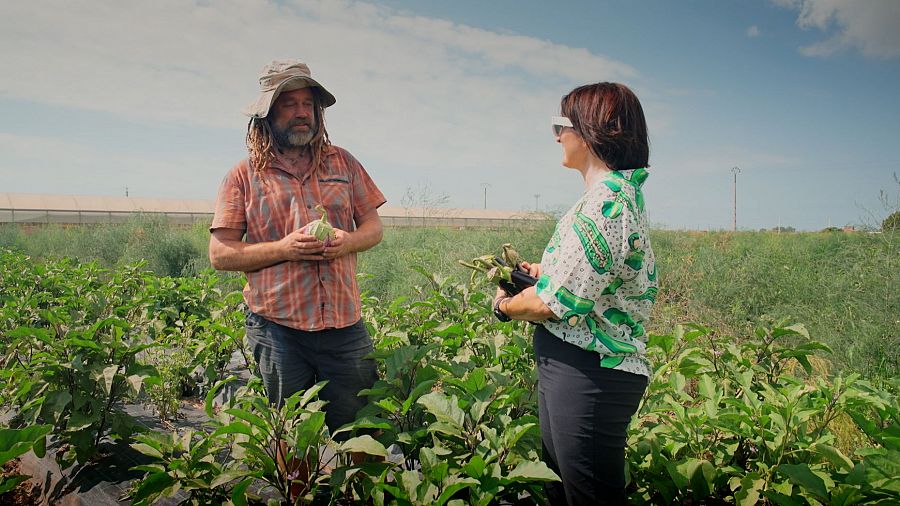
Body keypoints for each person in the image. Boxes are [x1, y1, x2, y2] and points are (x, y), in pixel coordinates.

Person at [492, 82, 656, 505]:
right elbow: (588, 280)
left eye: (560, 125)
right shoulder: (610, 197)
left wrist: (504, 305)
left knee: (589, 496)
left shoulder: (607, 204)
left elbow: (552, 303)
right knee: (563, 488)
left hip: (590, 371)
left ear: (590, 130)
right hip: (579, 366)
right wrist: (545, 273)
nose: (557, 137)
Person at [209, 59, 386, 441]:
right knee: (291, 434)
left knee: (362, 428)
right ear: (267, 114)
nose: (302, 112)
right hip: (278, 329)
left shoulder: (344, 163)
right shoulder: (244, 176)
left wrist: (347, 241)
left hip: (343, 324)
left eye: (308, 104)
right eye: (289, 104)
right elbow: (220, 254)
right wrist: (285, 248)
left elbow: (373, 228)